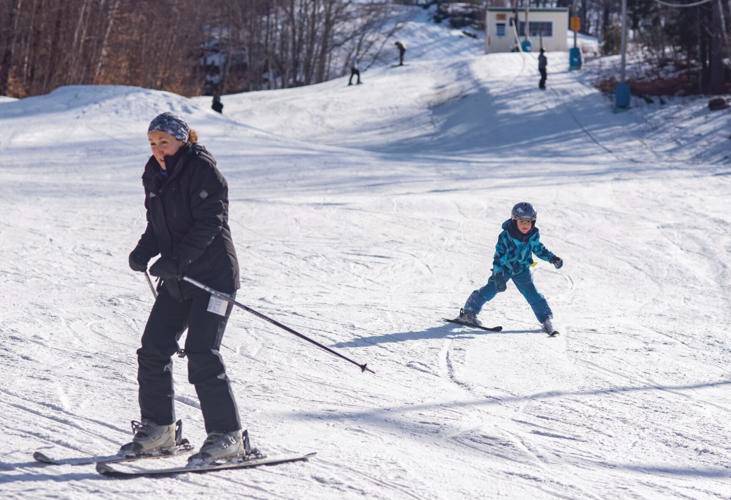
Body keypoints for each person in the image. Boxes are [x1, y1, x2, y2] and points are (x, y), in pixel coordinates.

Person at [124, 112, 243, 465]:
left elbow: (210, 224)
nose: (158, 149)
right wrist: (144, 250)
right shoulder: (154, 173)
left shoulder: (204, 171)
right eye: (152, 143)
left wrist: (177, 262)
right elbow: (157, 224)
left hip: (214, 278)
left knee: (202, 351)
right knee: (153, 348)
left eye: (164, 141)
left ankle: (228, 437)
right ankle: (160, 430)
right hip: (177, 278)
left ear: (182, 140)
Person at [457, 202, 563, 335]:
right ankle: (468, 312)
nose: (525, 225)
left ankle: (546, 319)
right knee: (490, 289)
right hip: (504, 269)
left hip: (521, 269)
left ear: (533, 222)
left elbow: (539, 249)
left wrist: (552, 258)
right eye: (521, 221)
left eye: (529, 222)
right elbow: (499, 257)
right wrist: (498, 275)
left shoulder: (533, 235)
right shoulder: (505, 236)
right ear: (514, 221)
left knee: (532, 294)